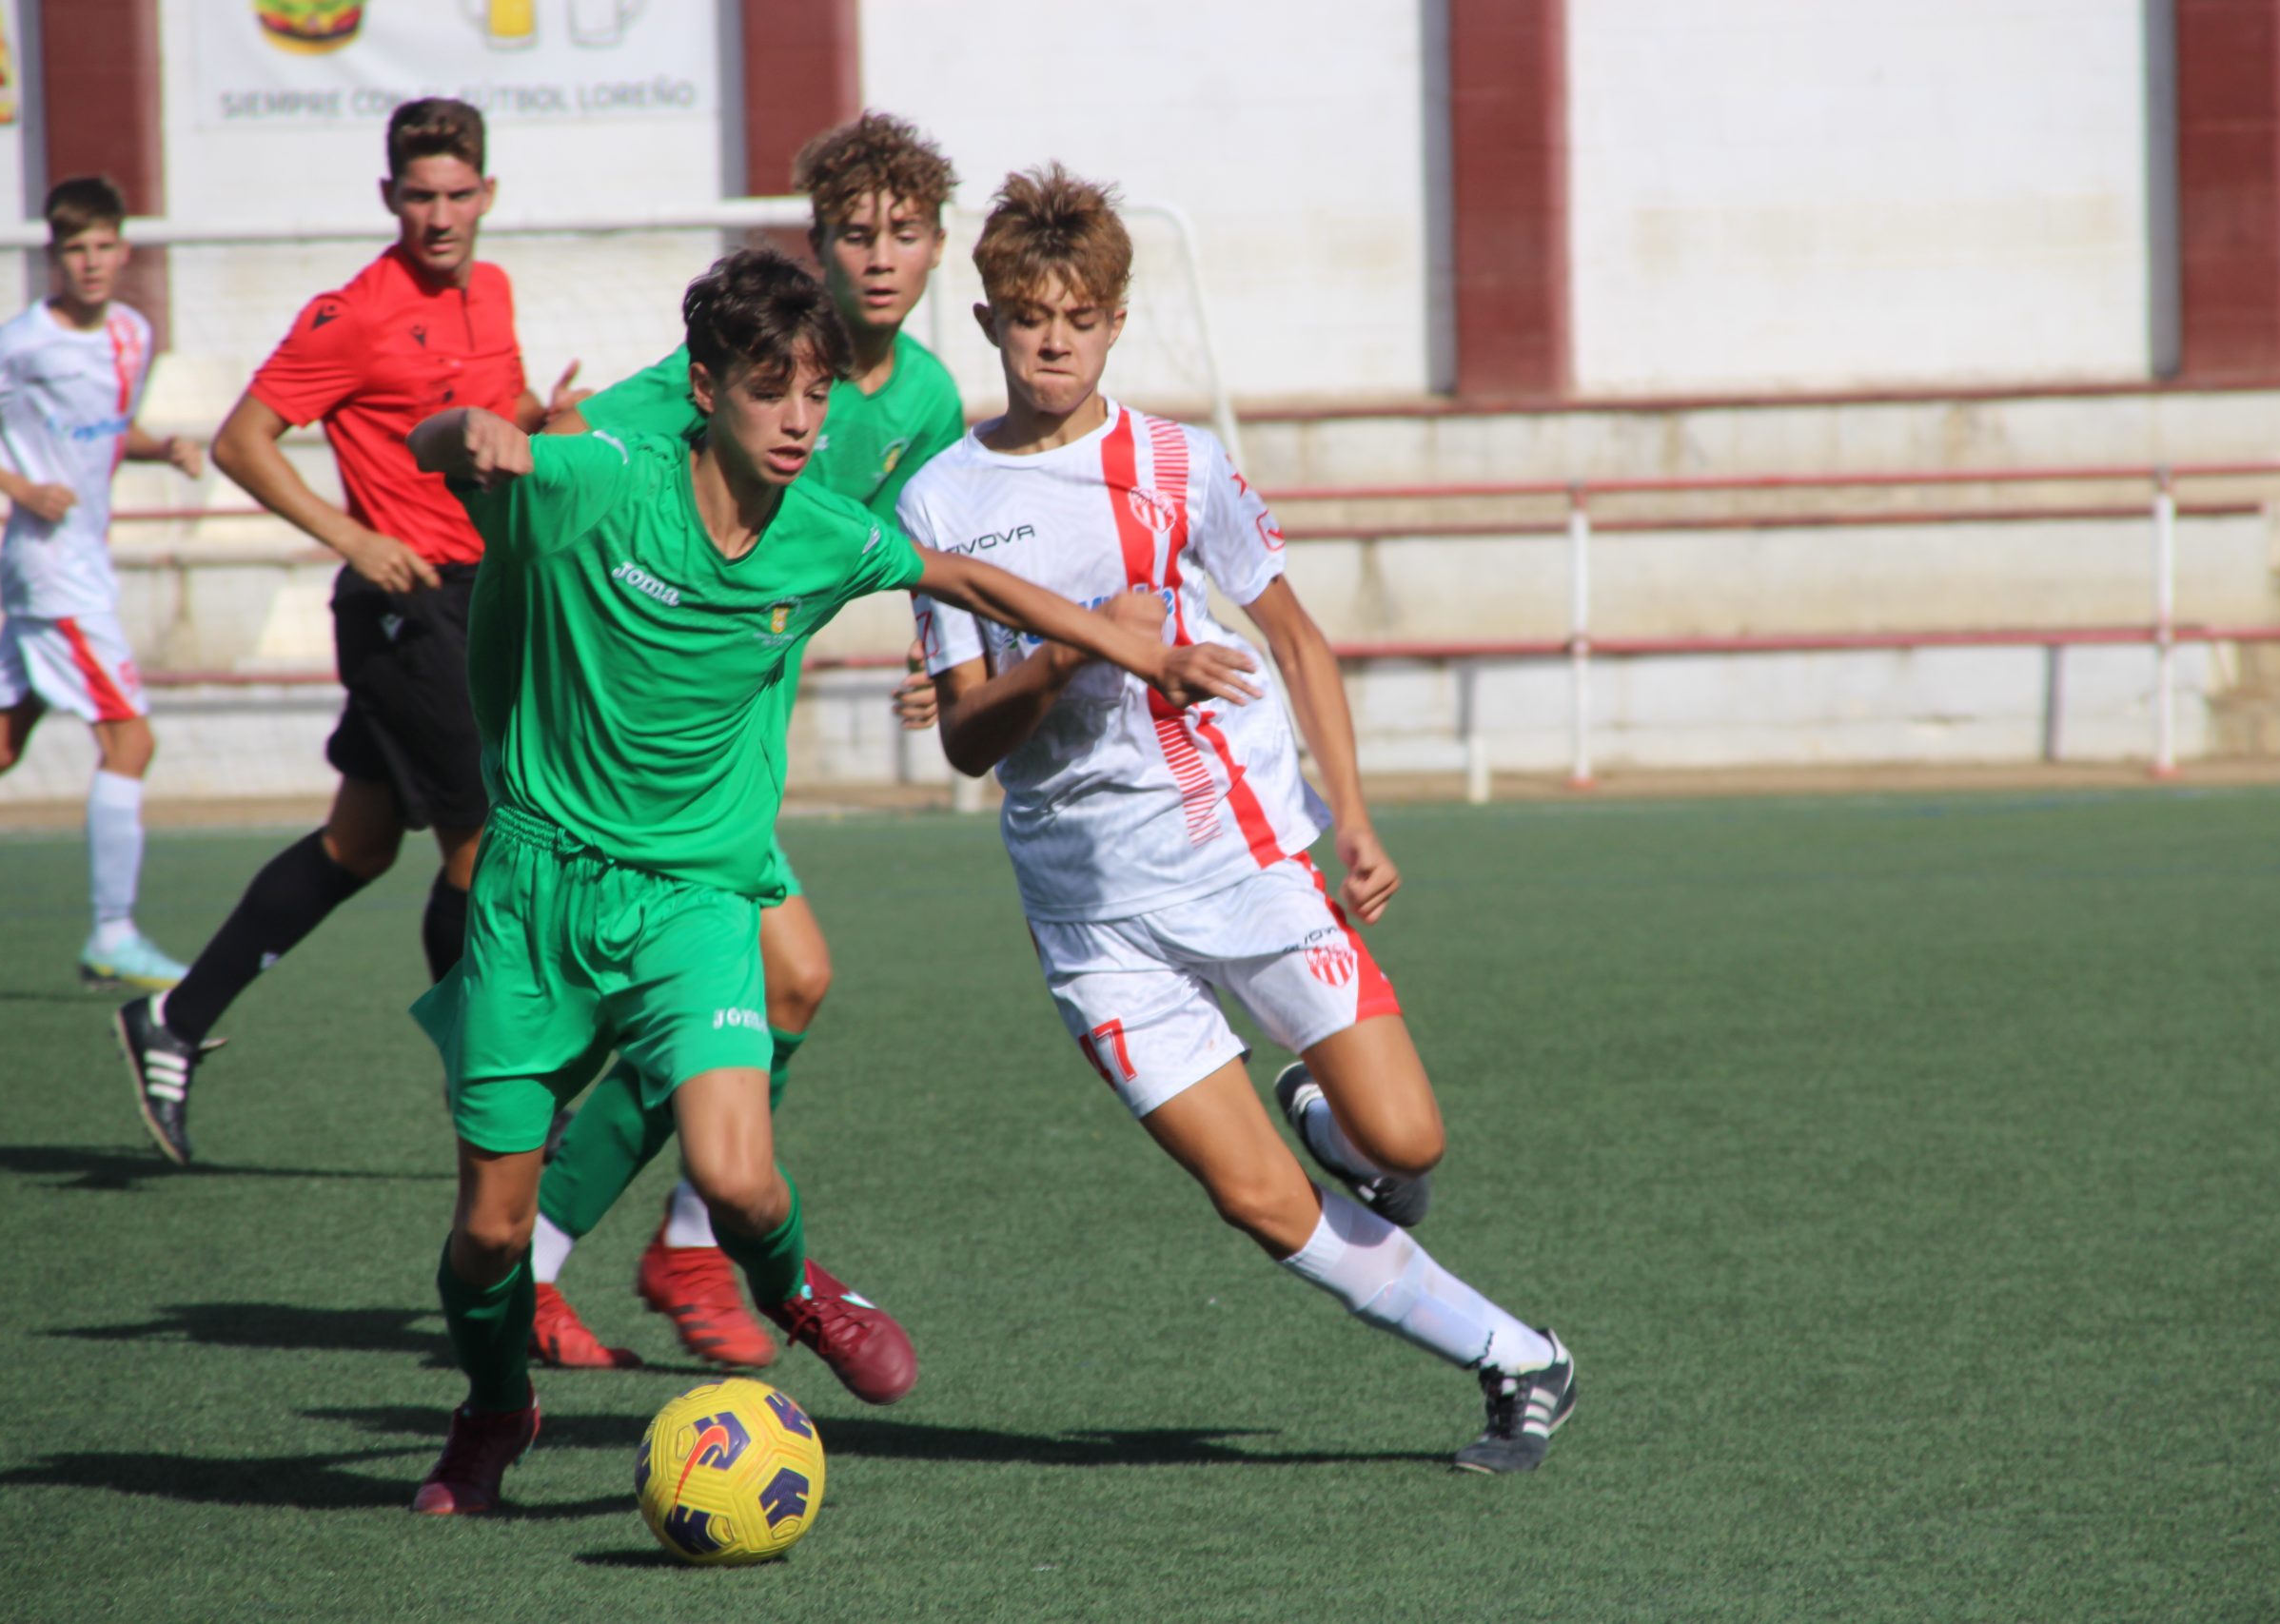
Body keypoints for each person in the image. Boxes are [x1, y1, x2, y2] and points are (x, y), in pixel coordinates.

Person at [401, 246, 1256, 1515]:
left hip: (695, 897)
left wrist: (1138, 650)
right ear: (706, 391)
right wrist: (467, 432)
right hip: (534, 895)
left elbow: (970, 579)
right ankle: (492, 1408)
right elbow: (444, 452)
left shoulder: (824, 533)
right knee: (486, 1236)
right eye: (769, 392)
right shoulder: (602, 482)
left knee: (739, 1176)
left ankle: (793, 1286)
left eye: (814, 393)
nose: (800, 420)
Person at [900, 167, 1575, 1474]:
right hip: (1089, 910)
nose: (1053, 342)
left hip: (1242, 851)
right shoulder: (938, 502)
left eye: (1079, 318)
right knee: (1255, 1196)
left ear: (1116, 323)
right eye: (1028, 317)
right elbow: (972, 740)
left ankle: (1325, 1112)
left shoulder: (1179, 465)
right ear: (986, 322)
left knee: (1407, 1141)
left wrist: (1355, 817)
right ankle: (1518, 1358)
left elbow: (1296, 637)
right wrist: (1071, 654)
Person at [524, 111, 962, 1380]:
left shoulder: (926, 396)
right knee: (734, 991)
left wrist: (937, 654)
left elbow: (923, 544)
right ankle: (552, 1258)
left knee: (788, 984)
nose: (878, 256)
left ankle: (674, 1245)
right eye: (853, 232)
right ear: (815, 244)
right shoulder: (716, 372)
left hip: (730, 754)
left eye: (904, 232)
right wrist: (537, 440)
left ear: (937, 248)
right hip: (633, 753)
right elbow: (585, 448)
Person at [110, 99, 585, 1166]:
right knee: (486, 847)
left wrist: (539, 415)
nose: (439, 216)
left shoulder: (494, 290)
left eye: (457, 194)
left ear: (488, 194)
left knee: (359, 845)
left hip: (480, 596)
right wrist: (354, 537)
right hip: (404, 609)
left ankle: (172, 1020)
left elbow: (485, 407)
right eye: (419, 196)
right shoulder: (355, 315)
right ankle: (497, 1087)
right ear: (388, 198)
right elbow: (242, 441)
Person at [0, 176, 203, 990]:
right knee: (130, 741)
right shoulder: (20, 343)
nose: (92, 262)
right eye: (76, 249)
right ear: (55, 255)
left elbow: (107, 432)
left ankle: (114, 932)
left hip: (80, 564)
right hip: (54, 571)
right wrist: (20, 488)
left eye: (105, 246)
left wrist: (163, 446)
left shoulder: (133, 334)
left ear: (124, 249)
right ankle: (113, 932)